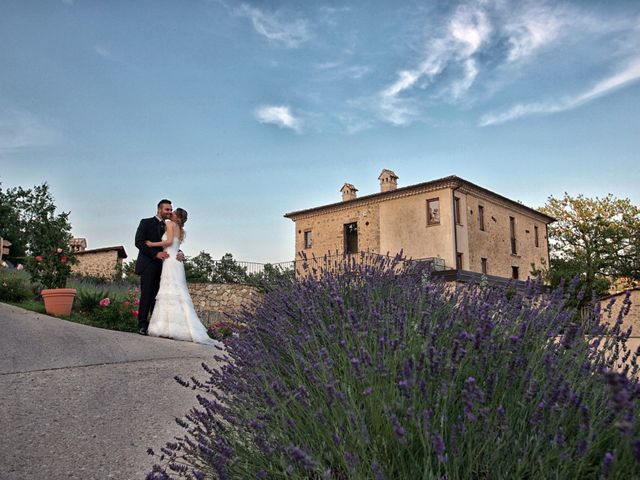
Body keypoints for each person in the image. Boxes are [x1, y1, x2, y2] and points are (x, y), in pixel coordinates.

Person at [145, 208, 223, 347]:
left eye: (173, 211)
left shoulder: (169, 223)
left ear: (177, 216)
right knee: (177, 294)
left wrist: (152, 244)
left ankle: (166, 328)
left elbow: (168, 242)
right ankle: (177, 328)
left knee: (168, 292)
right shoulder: (182, 231)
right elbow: (175, 245)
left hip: (169, 260)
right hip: (177, 262)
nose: (171, 213)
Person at [134, 199, 174, 336]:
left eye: (170, 209)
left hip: (165, 266)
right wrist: (155, 254)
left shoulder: (170, 226)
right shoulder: (145, 222)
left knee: (159, 297)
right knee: (147, 295)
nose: (169, 212)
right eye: (167, 209)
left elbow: (174, 244)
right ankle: (142, 325)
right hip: (148, 264)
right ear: (159, 210)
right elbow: (138, 242)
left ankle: (156, 326)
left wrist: (179, 253)